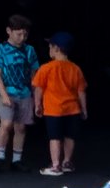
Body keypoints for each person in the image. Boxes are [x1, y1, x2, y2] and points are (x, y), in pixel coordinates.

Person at [33, 31, 88, 176]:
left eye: (50, 47)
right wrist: (84, 108)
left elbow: (39, 88)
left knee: (55, 137)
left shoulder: (46, 68)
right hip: (73, 109)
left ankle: (56, 165)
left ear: (56, 48)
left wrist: (37, 104)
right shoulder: (75, 69)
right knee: (70, 136)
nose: (49, 50)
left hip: (53, 110)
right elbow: (81, 91)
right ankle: (67, 162)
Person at [0, 14, 39, 172]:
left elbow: (34, 75)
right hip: (7, 92)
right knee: (6, 124)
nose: (22, 38)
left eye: (25, 34)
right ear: (9, 31)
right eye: (19, 34)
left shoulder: (29, 50)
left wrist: (35, 97)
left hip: (24, 93)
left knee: (21, 127)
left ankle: (16, 159)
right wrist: (4, 94)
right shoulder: (1, 49)